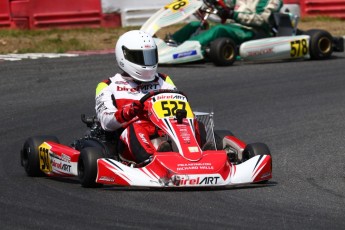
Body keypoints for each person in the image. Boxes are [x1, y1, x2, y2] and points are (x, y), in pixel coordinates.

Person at [95, 30, 205, 164]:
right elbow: (106, 122)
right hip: (130, 140)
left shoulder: (163, 80)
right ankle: (152, 160)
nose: (146, 63)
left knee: (193, 123)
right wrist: (127, 112)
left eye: (149, 57)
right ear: (124, 56)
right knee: (136, 127)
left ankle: (201, 155)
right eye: (140, 57)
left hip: (166, 133)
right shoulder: (108, 85)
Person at [170, 0, 283, 47]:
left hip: (253, 31)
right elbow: (227, 4)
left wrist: (233, 15)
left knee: (219, 29)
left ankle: (185, 49)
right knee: (194, 25)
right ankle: (168, 45)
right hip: (233, 26)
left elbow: (262, 20)